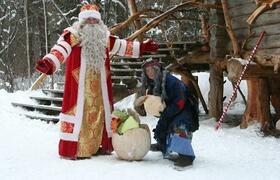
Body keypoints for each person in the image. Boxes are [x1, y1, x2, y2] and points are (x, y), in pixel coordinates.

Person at [35, 3, 159, 160]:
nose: (92, 22)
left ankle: (99, 146)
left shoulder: (103, 37)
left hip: (100, 88)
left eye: (95, 20)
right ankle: (77, 149)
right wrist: (49, 62)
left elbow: (122, 45)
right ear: (81, 22)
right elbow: (60, 49)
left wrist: (141, 48)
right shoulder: (72, 35)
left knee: (101, 116)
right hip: (80, 87)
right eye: (89, 20)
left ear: (99, 22)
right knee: (81, 116)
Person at [134, 58, 198, 167]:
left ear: (157, 69)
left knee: (179, 128)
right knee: (163, 125)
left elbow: (181, 100)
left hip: (183, 108)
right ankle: (162, 144)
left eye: (152, 69)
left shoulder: (171, 81)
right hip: (170, 109)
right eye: (147, 70)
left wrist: (168, 112)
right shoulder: (153, 83)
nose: (149, 72)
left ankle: (186, 156)